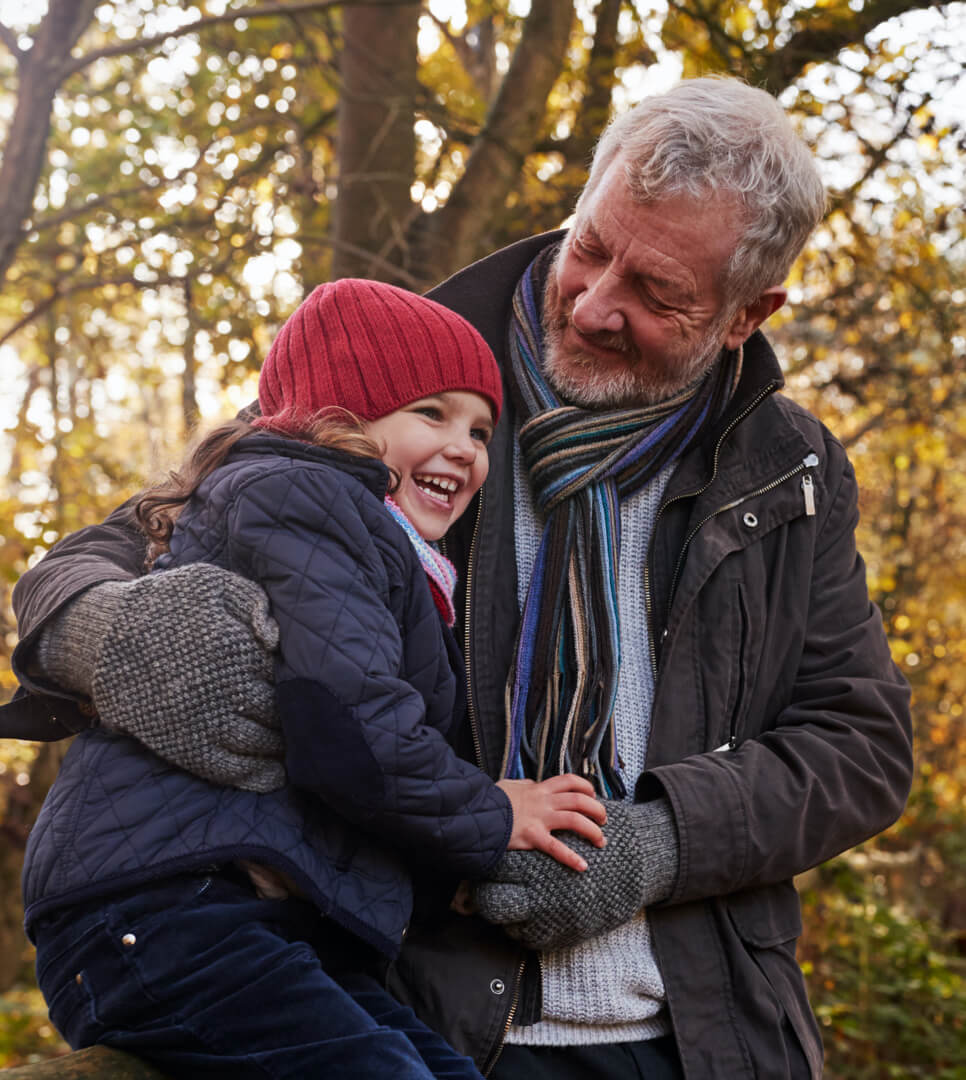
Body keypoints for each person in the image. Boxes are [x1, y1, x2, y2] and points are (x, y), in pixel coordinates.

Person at [3, 77, 913, 1079]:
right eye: (591, 248)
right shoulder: (409, 378)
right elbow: (149, 529)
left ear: (749, 315)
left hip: (704, 1031)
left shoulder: (791, 468)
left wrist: (658, 841)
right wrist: (109, 631)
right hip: (423, 1006)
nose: (597, 306)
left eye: (657, 294)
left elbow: (860, 741)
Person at [16, 278, 608, 1080]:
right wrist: (489, 816)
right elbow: (353, 729)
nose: (466, 447)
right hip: (162, 908)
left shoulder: (392, 551)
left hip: (266, 918)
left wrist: (457, 882)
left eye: (480, 427)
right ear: (342, 419)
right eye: (430, 414)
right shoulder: (311, 497)